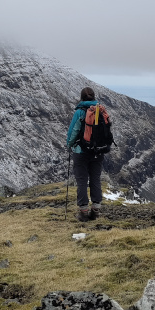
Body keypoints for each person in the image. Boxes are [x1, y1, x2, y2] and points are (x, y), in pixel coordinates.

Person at [66, 87, 104, 222]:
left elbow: (73, 132)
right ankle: (96, 210)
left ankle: (83, 212)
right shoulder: (100, 110)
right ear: (94, 97)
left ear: (81, 98)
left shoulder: (80, 112)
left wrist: (69, 144)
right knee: (95, 178)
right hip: (98, 151)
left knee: (82, 180)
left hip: (81, 152)